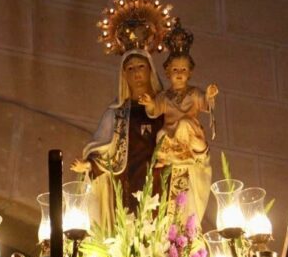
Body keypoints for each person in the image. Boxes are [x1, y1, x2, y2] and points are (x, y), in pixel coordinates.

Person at [73, 49, 165, 224]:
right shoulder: (116, 114)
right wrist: (90, 164)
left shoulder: (165, 109)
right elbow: (105, 148)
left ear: (150, 70)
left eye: (141, 66)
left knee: (159, 225)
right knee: (128, 224)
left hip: (159, 177)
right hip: (126, 180)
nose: (137, 72)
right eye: (130, 68)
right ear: (124, 75)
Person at [139, 23, 217, 221]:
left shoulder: (193, 93)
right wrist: (149, 103)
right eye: (175, 69)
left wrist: (209, 95)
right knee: (161, 134)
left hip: (189, 133)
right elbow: (155, 111)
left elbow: (206, 104)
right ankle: (172, 153)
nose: (179, 73)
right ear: (168, 73)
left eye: (183, 69)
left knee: (184, 124)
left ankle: (184, 152)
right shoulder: (165, 97)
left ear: (190, 72)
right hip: (171, 136)